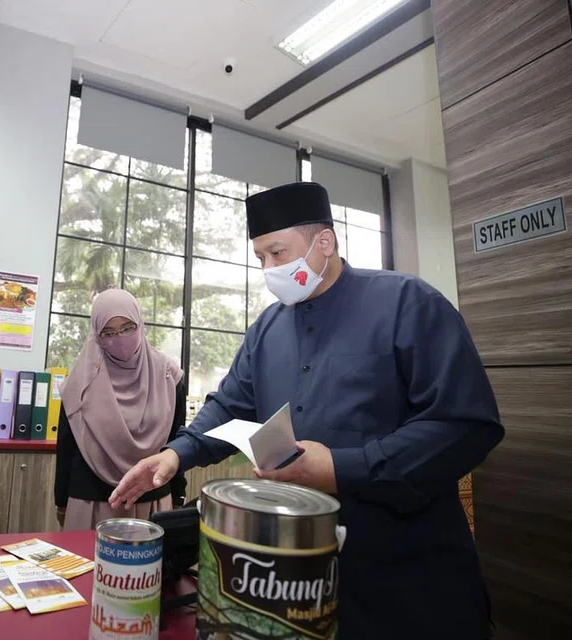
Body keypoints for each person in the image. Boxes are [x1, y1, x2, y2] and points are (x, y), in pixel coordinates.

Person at [110, 182, 503, 639]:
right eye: (260, 258)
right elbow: (231, 406)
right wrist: (177, 454)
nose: (270, 269)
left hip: (407, 576)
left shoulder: (407, 304)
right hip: (299, 584)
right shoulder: (267, 330)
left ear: (325, 242)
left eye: (278, 253)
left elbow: (467, 424)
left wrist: (342, 467)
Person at [55, 288, 186, 530]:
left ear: (140, 323)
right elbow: (66, 448)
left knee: (149, 567)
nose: (120, 338)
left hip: (153, 500)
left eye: (128, 328)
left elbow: (176, 441)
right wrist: (60, 501)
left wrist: (178, 494)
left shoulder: (168, 376)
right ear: (96, 334)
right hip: (91, 502)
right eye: (108, 332)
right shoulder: (80, 381)